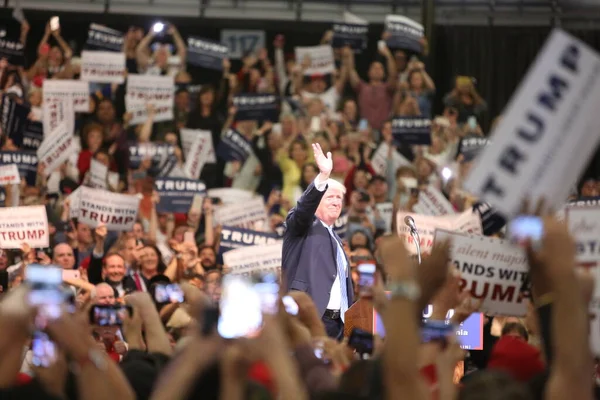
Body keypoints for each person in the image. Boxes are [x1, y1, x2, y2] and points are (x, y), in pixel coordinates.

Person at [282, 143, 354, 339]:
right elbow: (303, 210)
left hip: (338, 327)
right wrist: (322, 177)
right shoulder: (303, 225)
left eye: (339, 198)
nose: (336, 201)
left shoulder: (337, 240)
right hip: (309, 319)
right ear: (317, 200)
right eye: (330, 196)